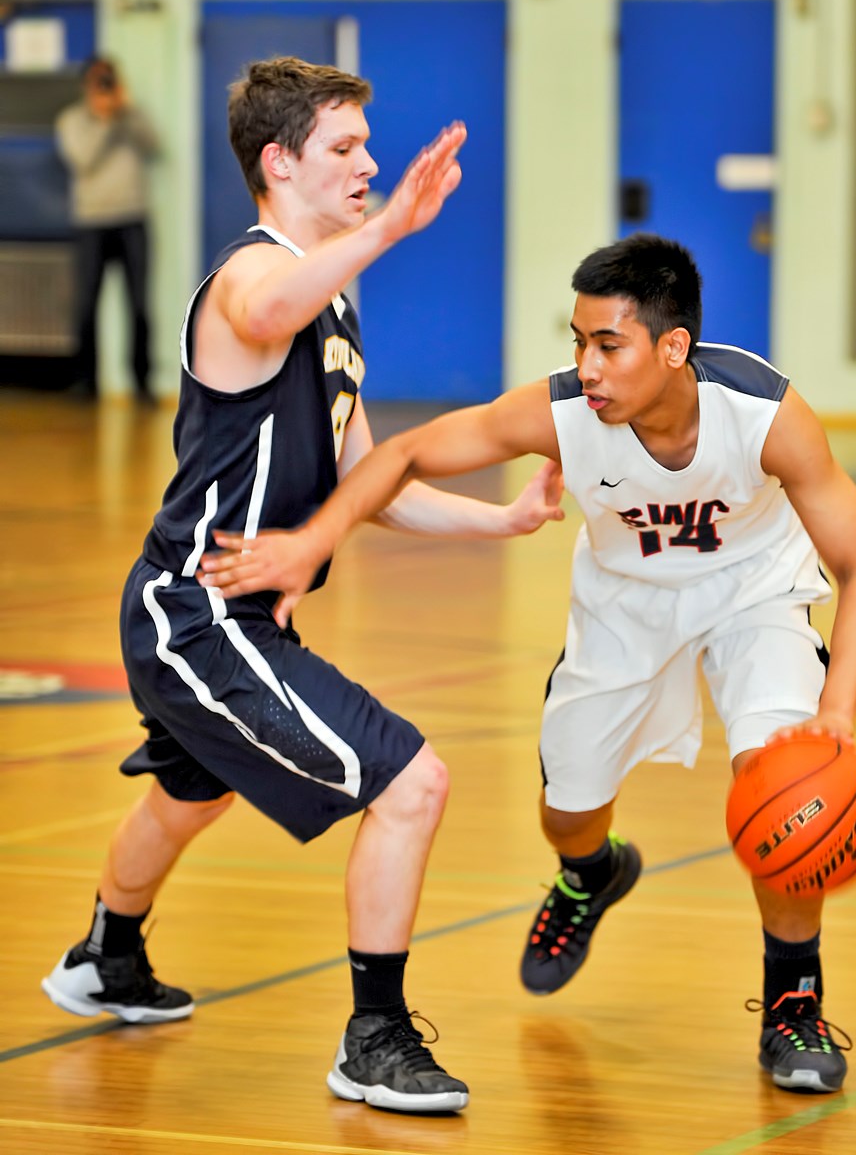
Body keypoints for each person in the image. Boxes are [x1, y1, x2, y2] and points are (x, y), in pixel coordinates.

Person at [199, 232, 856, 1096]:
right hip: (621, 610)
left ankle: (794, 1002)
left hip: (754, 599)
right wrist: (313, 539)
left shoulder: (764, 413)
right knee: (567, 813)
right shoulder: (560, 411)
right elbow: (407, 453)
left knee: (778, 789)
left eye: (608, 345)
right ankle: (590, 873)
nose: (586, 366)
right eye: (577, 342)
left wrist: (835, 716)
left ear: (672, 348)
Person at [41, 57, 565, 1114]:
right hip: (197, 612)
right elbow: (266, 308)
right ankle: (373, 1039)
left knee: (194, 790)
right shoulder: (254, 280)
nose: (370, 164)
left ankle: (105, 955)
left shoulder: (330, 304)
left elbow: (365, 481)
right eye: (343, 149)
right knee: (411, 782)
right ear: (278, 164)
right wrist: (389, 228)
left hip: (219, 614)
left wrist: (498, 521)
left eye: (368, 148)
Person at [55, 55, 159, 402]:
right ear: (86, 85)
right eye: (99, 81)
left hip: (133, 219)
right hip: (91, 223)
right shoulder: (71, 120)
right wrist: (103, 120)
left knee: (139, 305)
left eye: (109, 80)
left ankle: (141, 383)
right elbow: (83, 161)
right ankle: (87, 384)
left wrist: (126, 112)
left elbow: (154, 145)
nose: (105, 88)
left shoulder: (131, 115)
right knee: (86, 305)